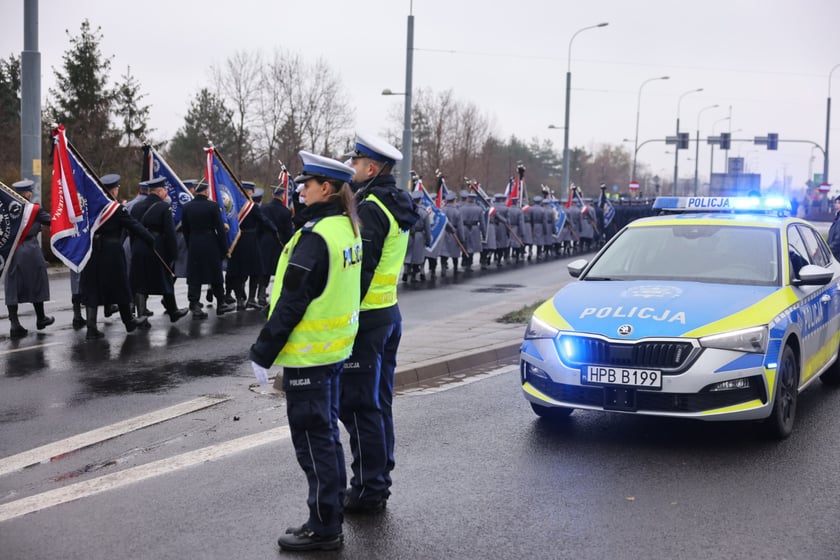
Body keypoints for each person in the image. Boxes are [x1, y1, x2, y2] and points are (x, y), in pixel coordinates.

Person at [249, 152, 361, 552]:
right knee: (326, 437)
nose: (300, 190)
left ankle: (323, 527)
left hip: (309, 359)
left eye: (307, 185)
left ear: (325, 188)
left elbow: (293, 301)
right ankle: (328, 517)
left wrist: (263, 351)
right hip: (333, 353)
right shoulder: (345, 227)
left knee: (315, 443)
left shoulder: (317, 236)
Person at [341, 132, 418, 513]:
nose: (351, 167)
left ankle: (369, 489)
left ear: (371, 168)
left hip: (368, 320)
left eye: (355, 162)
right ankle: (379, 477)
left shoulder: (371, 207)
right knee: (378, 404)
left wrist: (344, 318)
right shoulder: (396, 201)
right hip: (388, 314)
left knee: (358, 407)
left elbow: (362, 270)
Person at [79, 174, 155, 339]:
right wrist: (150, 239)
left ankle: (91, 327)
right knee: (120, 286)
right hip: (111, 252)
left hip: (90, 252)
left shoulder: (88, 207)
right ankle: (129, 322)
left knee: (92, 287)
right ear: (113, 191)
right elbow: (134, 225)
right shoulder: (115, 209)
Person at [128, 176, 188, 323]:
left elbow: (131, 229)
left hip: (138, 246)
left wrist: (135, 246)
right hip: (157, 248)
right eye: (165, 190)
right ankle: (173, 311)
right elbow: (170, 233)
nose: (166, 193)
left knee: (140, 281)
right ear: (160, 191)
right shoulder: (164, 207)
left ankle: (141, 315)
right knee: (165, 279)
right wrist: (173, 253)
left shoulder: (136, 207)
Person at [4, 179, 54, 339]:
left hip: (11, 250)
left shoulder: (5, 208)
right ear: (27, 193)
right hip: (30, 248)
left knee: (12, 285)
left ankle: (14, 324)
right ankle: (41, 318)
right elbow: (51, 221)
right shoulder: (34, 210)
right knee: (37, 281)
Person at [180, 180, 235, 319]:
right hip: (210, 242)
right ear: (206, 191)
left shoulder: (187, 207)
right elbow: (220, 229)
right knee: (215, 273)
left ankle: (194, 303)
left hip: (194, 242)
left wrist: (190, 243)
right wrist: (224, 248)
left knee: (195, 275)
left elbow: (185, 229)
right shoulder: (213, 206)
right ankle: (221, 303)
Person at [256, 185, 294, 307]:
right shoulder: (286, 211)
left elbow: (259, 227)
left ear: (272, 194)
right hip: (279, 243)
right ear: (283, 195)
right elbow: (288, 232)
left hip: (265, 242)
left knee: (265, 270)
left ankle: (261, 294)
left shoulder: (263, 208)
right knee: (280, 270)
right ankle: (278, 295)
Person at [460, 191, 485, 269]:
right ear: (474, 200)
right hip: (475, 229)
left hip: (464, 228)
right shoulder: (479, 209)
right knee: (472, 246)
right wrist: (484, 233)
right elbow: (482, 222)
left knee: (465, 245)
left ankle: (464, 260)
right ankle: (469, 263)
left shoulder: (461, 208)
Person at [828, 195, 840, 261]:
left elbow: (838, 241)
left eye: (839, 203)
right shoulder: (837, 218)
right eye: (836, 203)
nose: (836, 205)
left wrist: (827, 251)